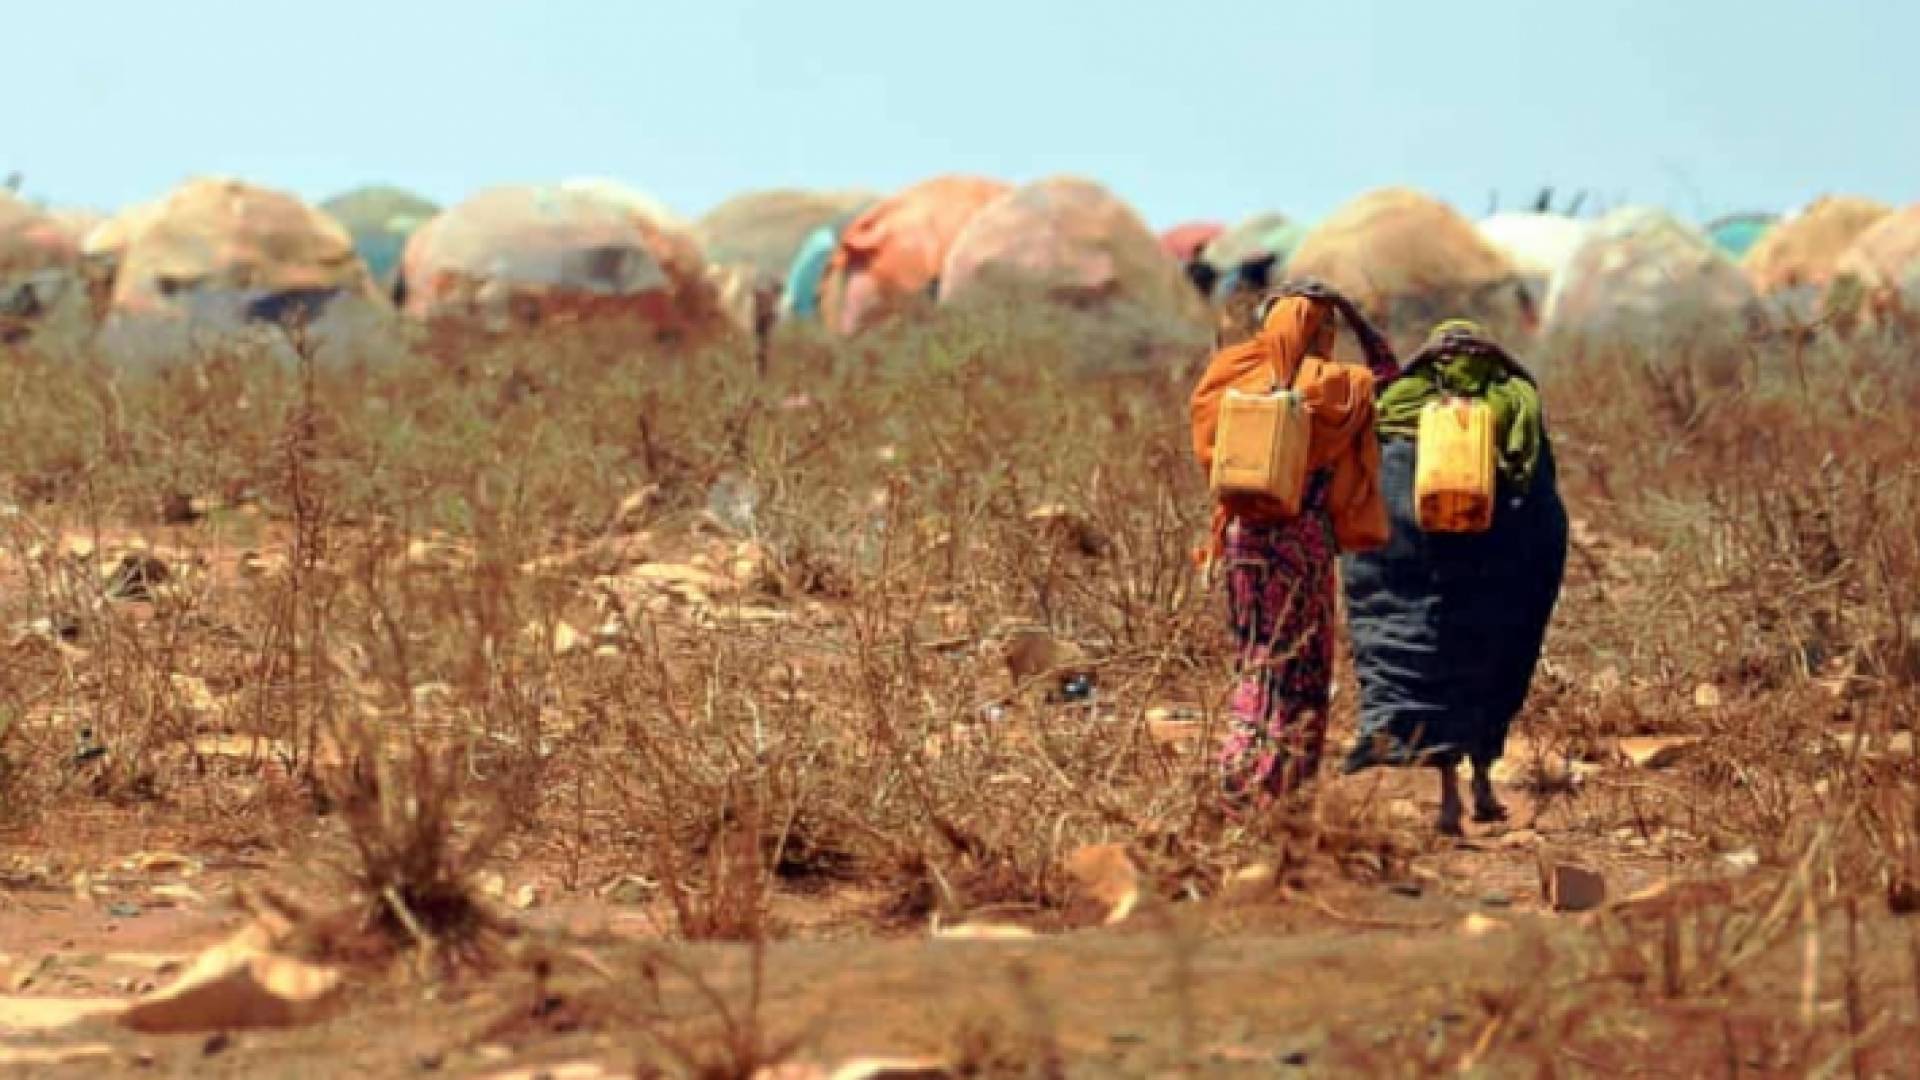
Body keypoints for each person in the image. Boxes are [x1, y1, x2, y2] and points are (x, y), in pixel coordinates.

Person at [1341, 319, 1569, 834]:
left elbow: (1372, 493)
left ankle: (1447, 800)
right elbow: (1540, 501)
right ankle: (1483, 785)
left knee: (1435, 660)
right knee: (1491, 661)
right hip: (1496, 563)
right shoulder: (1514, 403)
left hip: (1418, 558)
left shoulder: (1399, 404)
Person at [1190, 281, 1400, 805]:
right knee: (1299, 667)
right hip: (1300, 548)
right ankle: (1279, 788)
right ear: (1324, 333)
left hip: (1241, 542)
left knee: (1256, 657)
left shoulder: (1230, 374)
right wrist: (1354, 313)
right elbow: (1391, 379)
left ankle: (1239, 771)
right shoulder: (1336, 387)